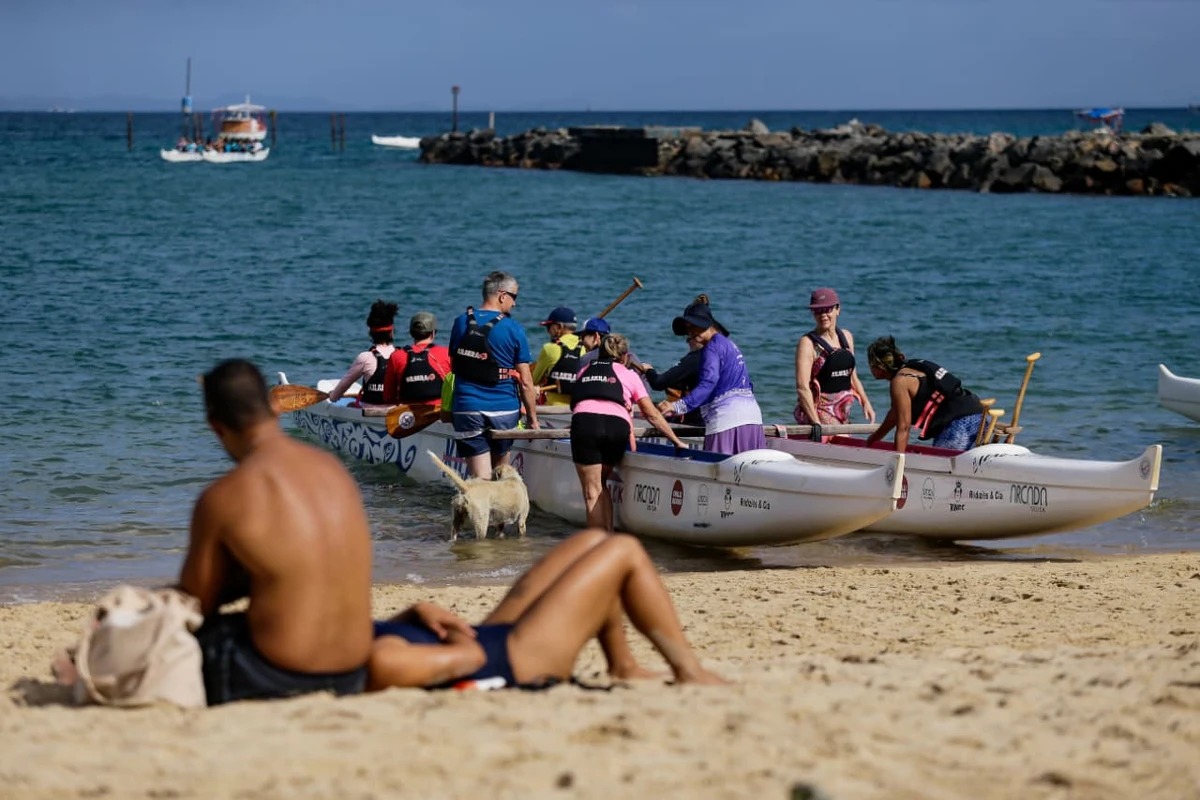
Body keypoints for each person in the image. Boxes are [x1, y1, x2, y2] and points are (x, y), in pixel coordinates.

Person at [179, 359, 374, 705]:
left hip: (278, 676)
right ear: (275, 405)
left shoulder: (223, 497)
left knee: (180, 636)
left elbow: (195, 605)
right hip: (353, 671)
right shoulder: (334, 471)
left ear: (215, 426)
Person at [368, 529, 726, 691]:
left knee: (592, 541)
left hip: (493, 639)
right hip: (512, 661)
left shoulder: (336, 640)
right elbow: (467, 660)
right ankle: (689, 671)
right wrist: (460, 645)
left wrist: (413, 611)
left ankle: (623, 666)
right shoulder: (371, 659)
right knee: (624, 550)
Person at [571, 333, 689, 530]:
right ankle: (608, 536)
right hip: (616, 429)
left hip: (586, 424)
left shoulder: (583, 371)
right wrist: (675, 440)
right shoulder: (630, 375)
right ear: (625, 357)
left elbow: (578, 402)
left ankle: (598, 548)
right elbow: (651, 414)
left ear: (598, 354)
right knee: (601, 481)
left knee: (592, 492)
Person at [448, 271, 540, 479]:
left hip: (467, 407)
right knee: (500, 474)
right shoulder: (513, 328)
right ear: (502, 296)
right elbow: (525, 381)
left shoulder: (461, 322)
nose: (514, 304)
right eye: (514, 297)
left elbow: (455, 365)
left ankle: (479, 505)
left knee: (480, 479)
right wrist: (533, 419)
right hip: (503, 410)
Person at [656, 295, 766, 455]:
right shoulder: (730, 345)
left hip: (726, 420)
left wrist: (677, 406)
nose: (690, 333)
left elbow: (708, 383)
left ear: (708, 323)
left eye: (693, 326)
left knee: (717, 475)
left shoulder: (711, 348)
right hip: (753, 418)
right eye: (687, 329)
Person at [863, 336, 985, 453]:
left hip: (958, 425)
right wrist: (873, 440)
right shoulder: (914, 367)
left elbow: (903, 428)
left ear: (878, 366)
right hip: (978, 416)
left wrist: (897, 466)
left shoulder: (899, 382)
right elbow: (893, 417)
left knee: (940, 470)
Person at [793, 288, 876, 437]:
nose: (823, 315)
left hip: (843, 413)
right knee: (844, 445)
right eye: (818, 311)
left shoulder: (846, 337)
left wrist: (865, 402)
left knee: (845, 442)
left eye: (827, 309)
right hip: (819, 414)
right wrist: (815, 422)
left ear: (838, 309)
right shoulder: (808, 343)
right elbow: (802, 387)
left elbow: (853, 377)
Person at [328, 299, 398, 406]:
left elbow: (344, 385)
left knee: (350, 405)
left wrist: (333, 396)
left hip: (369, 412)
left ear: (370, 333)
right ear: (392, 332)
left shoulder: (365, 358)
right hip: (396, 413)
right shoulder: (403, 356)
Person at [631, 334, 705, 428]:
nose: (687, 341)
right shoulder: (717, 357)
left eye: (690, 338)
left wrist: (648, 370)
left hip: (696, 422)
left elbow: (658, 383)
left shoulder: (694, 359)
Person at [384, 311, 452, 406]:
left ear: (411, 333)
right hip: (439, 413)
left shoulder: (396, 356)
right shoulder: (446, 354)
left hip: (408, 415)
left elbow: (388, 396)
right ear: (433, 333)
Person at [531, 306, 583, 405]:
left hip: (553, 408)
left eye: (549, 327)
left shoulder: (549, 348)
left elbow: (533, 381)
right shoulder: (585, 347)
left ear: (559, 327)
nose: (548, 331)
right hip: (578, 406)